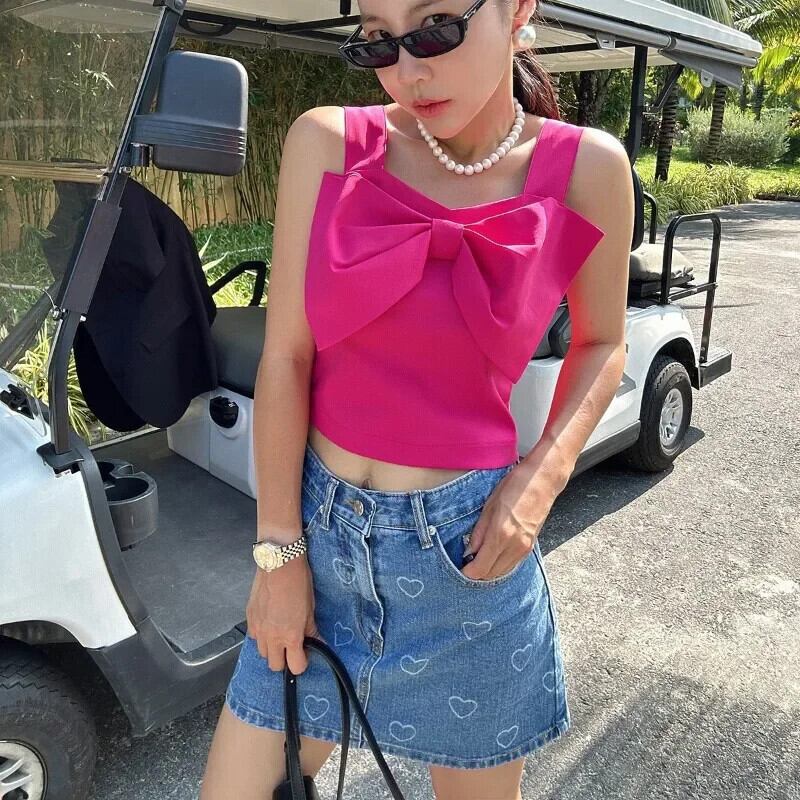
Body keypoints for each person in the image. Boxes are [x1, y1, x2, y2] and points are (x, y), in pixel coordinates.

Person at [200, 0, 633, 797]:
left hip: (468, 560)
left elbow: (603, 342)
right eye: (378, 40)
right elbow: (286, 356)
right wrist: (278, 553)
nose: (407, 70)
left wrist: (543, 475)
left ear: (518, 10)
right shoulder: (327, 142)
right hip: (318, 547)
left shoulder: (588, 168)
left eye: (436, 26)